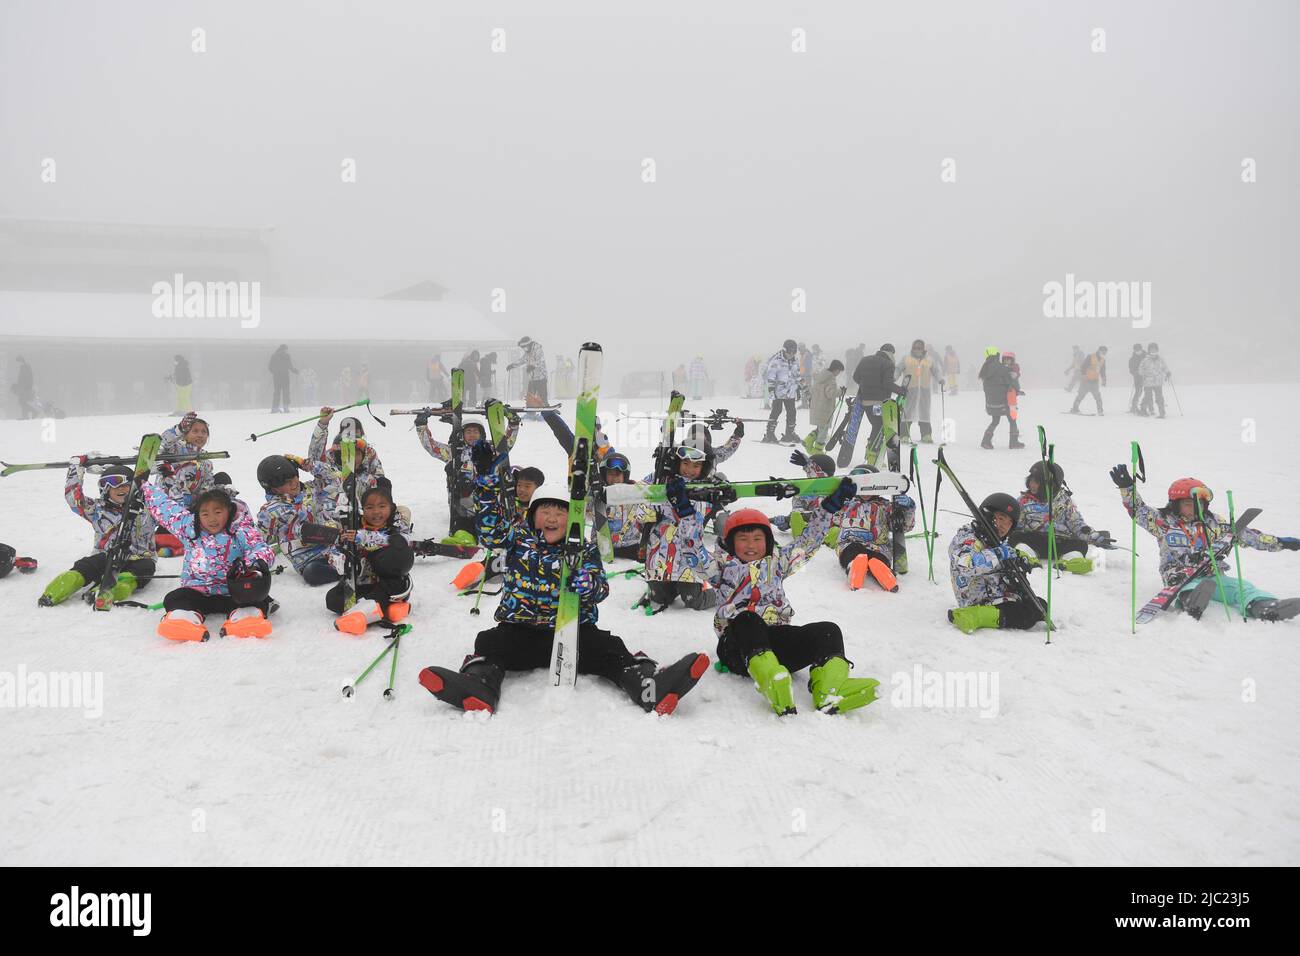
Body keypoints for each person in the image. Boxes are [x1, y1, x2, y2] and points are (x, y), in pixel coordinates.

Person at [418, 443, 710, 715]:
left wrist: (589, 585)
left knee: (610, 648)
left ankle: (647, 686)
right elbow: (490, 530)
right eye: (545, 510)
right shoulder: (518, 539)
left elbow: (601, 586)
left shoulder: (583, 548)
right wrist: (485, 481)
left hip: (573, 632)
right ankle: (479, 686)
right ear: (532, 517)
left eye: (561, 511)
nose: (553, 517)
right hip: (522, 630)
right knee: (490, 642)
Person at [708, 476, 878, 715]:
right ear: (730, 543)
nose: (751, 545)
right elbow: (690, 551)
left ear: (767, 542)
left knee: (828, 630)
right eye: (742, 539)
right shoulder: (720, 567)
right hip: (736, 647)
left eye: (757, 539)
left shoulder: (778, 563)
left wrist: (829, 508)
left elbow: (809, 541)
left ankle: (829, 691)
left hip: (775, 641)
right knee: (747, 619)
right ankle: (770, 680)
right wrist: (685, 513)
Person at [1109, 468, 1300, 620]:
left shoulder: (1214, 523)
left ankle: (1263, 607)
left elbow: (1248, 536)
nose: (1195, 508)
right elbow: (1138, 511)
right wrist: (1127, 488)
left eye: (1199, 503)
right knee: (1189, 587)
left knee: (1242, 587)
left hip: (1212, 574)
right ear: (1176, 504)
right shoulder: (1163, 522)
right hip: (1179, 575)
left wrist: (1282, 542)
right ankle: (1191, 602)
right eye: (1188, 504)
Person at [144, 481, 277, 642]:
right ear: (198, 515)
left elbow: (259, 548)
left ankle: (246, 620)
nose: (211, 519)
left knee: (256, 599)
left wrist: (253, 565)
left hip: (234, 592)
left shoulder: (240, 530)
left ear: (229, 511)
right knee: (175, 598)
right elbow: (166, 509)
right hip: (198, 591)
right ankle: (182, 620)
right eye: (205, 514)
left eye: (218, 512)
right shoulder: (190, 528)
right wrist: (145, 486)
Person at [38, 459, 157, 607]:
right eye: (113, 487)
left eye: (125, 485)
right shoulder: (97, 509)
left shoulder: (150, 508)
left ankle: (104, 592)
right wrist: (77, 467)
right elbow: (74, 500)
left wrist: (167, 474)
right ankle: (53, 593)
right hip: (106, 556)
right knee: (85, 566)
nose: (120, 489)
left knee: (144, 569)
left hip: (139, 558)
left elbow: (174, 503)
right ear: (105, 491)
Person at [946, 493, 1045, 634]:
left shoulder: (992, 540)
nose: (1004, 525)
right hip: (976, 599)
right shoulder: (968, 538)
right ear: (987, 515)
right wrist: (998, 555)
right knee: (1025, 616)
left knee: (1038, 606)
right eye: (1000, 518)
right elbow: (965, 565)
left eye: (1009, 522)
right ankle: (975, 616)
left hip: (996, 594)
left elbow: (1006, 552)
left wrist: (1020, 558)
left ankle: (989, 613)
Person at [329, 483, 415, 634]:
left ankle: (362, 615)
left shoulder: (397, 525)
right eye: (369, 508)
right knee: (334, 600)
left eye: (382, 506)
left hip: (391, 581)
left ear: (391, 507)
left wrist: (362, 537)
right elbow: (336, 551)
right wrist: (340, 555)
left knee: (398, 552)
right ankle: (388, 608)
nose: (376, 512)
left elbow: (401, 540)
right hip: (364, 581)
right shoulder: (356, 526)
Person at [255, 453, 342, 586]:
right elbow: (259, 539)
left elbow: (337, 479)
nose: (293, 483)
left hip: (336, 544)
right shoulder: (270, 511)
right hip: (310, 559)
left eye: (294, 476)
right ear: (273, 488)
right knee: (312, 573)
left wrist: (307, 465)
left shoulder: (313, 490)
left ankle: (351, 560)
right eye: (285, 483)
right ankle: (345, 568)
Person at [1011, 461, 1112, 574]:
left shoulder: (1064, 501)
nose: (1032, 485)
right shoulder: (1023, 500)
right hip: (1034, 540)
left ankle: (1069, 561)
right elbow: (1014, 523)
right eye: (1031, 481)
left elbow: (1076, 523)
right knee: (1017, 537)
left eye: (1036, 482)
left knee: (1080, 544)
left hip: (1058, 542)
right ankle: (1026, 557)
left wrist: (1093, 536)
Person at [835, 464, 916, 590]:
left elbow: (903, 527)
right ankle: (854, 568)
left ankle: (884, 573)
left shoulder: (885, 506)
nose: (865, 493)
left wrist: (907, 509)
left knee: (877, 558)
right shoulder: (846, 504)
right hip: (850, 544)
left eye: (869, 487)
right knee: (854, 552)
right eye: (861, 487)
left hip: (879, 547)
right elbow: (826, 510)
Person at [310, 406, 386, 492]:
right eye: (348, 432)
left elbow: (380, 478)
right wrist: (323, 424)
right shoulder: (331, 454)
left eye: (356, 432)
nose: (352, 436)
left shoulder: (369, 452)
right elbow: (314, 461)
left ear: (361, 433)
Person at [850, 343, 905, 453]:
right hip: (878, 403)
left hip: (865, 401)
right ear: (891, 353)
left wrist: (866, 386)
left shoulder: (864, 360)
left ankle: (871, 450)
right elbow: (887, 384)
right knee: (879, 427)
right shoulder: (888, 364)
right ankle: (872, 453)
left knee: (876, 425)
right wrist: (901, 390)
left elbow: (856, 377)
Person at [978, 348, 1023, 449]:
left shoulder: (986, 369)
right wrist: (1017, 389)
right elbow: (1011, 382)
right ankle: (1013, 442)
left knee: (995, 421)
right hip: (1003, 402)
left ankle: (986, 441)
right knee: (1012, 419)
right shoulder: (1001, 368)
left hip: (991, 403)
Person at [762, 339, 802, 444]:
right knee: (776, 411)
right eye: (790, 351)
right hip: (778, 392)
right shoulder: (776, 360)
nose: (792, 354)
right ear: (785, 350)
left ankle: (789, 434)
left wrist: (799, 388)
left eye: (794, 352)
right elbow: (770, 376)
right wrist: (771, 391)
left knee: (792, 412)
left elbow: (797, 375)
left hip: (790, 391)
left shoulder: (795, 360)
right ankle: (769, 434)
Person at [897, 339, 936, 443]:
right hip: (910, 390)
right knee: (907, 412)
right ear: (912, 348)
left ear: (923, 349)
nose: (917, 350)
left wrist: (940, 379)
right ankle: (904, 435)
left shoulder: (929, 360)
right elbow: (898, 368)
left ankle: (926, 435)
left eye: (919, 348)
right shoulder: (906, 358)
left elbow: (936, 370)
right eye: (915, 348)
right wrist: (894, 377)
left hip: (924, 390)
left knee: (924, 413)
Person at [806, 359, 844, 453]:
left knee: (820, 428)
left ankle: (808, 441)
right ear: (836, 370)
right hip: (824, 408)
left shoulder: (821, 376)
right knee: (824, 430)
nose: (838, 374)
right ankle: (818, 450)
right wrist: (841, 391)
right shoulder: (830, 379)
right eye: (839, 371)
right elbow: (830, 394)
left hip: (817, 407)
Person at [508, 336, 548, 405]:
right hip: (532, 378)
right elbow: (522, 360)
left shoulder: (538, 350)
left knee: (542, 396)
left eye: (525, 347)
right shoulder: (527, 353)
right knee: (530, 396)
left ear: (528, 345)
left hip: (541, 377)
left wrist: (532, 366)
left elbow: (540, 361)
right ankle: (530, 406)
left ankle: (545, 405)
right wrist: (513, 365)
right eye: (523, 348)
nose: (524, 349)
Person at [1068, 346, 1107, 415]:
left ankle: (1100, 410)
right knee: (1081, 395)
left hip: (1095, 381)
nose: (1104, 354)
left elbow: (1103, 371)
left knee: (1097, 396)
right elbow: (1083, 366)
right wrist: (1083, 375)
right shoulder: (1090, 357)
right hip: (1086, 380)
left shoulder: (1102, 360)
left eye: (1105, 353)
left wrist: (1104, 379)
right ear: (1099, 351)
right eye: (1103, 352)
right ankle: (1075, 408)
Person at [1138, 343, 1171, 418]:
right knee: (1147, 397)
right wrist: (1143, 374)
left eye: (1155, 349)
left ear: (1157, 350)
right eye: (1151, 349)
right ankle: (1143, 410)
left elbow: (1164, 367)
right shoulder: (1145, 360)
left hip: (1158, 382)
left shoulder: (1160, 359)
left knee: (1159, 397)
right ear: (1149, 350)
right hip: (1148, 382)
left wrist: (1168, 372)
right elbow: (1140, 369)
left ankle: (1162, 413)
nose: (1153, 351)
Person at [268, 345, 298, 413]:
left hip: (276, 377)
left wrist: (274, 372)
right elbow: (290, 366)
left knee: (277, 392)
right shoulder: (286, 356)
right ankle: (286, 407)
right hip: (285, 377)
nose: (287, 351)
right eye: (286, 349)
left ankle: (275, 408)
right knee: (286, 392)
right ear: (284, 349)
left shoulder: (274, 356)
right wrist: (295, 371)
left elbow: (270, 366)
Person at [12, 355, 37, 419]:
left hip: (25, 389)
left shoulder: (25, 367)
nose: (17, 364)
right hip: (24, 388)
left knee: (23, 402)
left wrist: (26, 387)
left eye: (18, 361)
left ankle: (33, 412)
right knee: (23, 402)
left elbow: (28, 378)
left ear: (21, 361)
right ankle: (25, 415)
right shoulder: (24, 367)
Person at [1127, 344, 1147, 413]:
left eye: (1139, 349)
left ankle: (1149, 407)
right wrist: (1135, 373)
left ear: (1141, 349)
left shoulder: (1147, 356)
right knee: (1138, 391)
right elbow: (1131, 370)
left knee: (1148, 392)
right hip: (1137, 378)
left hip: (1148, 377)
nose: (1138, 351)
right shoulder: (1132, 359)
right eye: (1136, 350)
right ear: (1134, 350)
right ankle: (1134, 406)